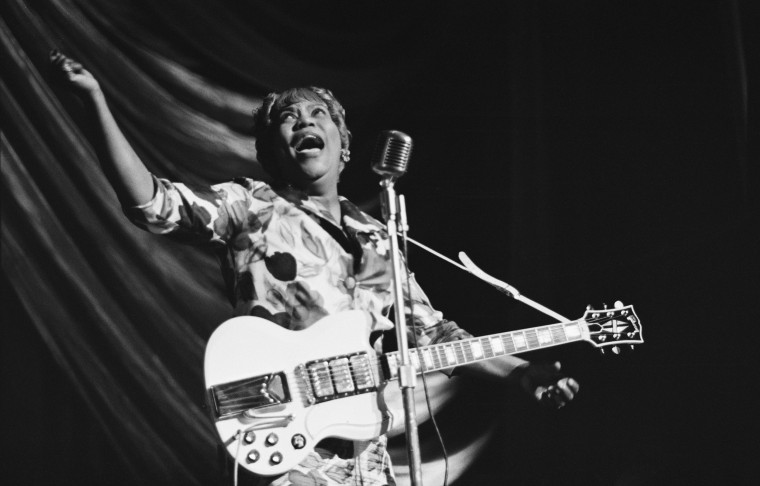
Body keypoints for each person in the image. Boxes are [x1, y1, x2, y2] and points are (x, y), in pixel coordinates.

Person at [50, 50, 579, 486]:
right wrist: (95, 102)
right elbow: (155, 206)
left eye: (317, 114)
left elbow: (432, 334)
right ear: (273, 151)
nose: (304, 121)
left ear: (343, 146)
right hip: (282, 435)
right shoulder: (250, 207)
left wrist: (519, 373)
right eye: (288, 117)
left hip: (364, 452)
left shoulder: (377, 237)